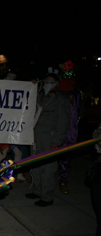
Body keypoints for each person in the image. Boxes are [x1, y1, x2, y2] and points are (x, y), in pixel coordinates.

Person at [25, 68, 71, 207]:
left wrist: (56, 141)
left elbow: (64, 121)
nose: (48, 84)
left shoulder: (61, 99)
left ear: (57, 83)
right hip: (36, 136)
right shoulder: (40, 95)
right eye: (46, 81)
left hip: (49, 138)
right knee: (35, 166)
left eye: (51, 82)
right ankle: (38, 191)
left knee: (48, 169)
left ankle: (47, 197)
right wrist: (31, 86)